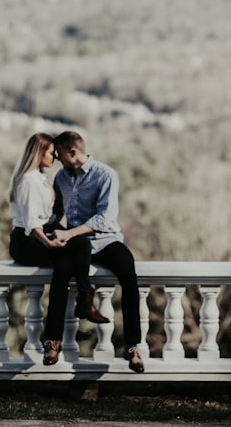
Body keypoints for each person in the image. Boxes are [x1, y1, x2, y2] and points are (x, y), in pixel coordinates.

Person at [7, 132, 108, 366]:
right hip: (28, 240)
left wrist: (57, 226)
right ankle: (85, 298)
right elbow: (32, 222)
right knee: (81, 242)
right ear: (39, 153)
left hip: (40, 232)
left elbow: (48, 215)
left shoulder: (39, 177)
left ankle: (52, 342)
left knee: (64, 266)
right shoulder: (30, 180)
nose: (55, 157)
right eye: (51, 152)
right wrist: (50, 242)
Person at [49, 130, 145, 373]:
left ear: (72, 152)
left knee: (128, 274)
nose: (57, 160)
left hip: (106, 240)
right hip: (76, 244)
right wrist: (39, 229)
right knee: (59, 275)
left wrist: (69, 233)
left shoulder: (106, 174)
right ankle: (52, 341)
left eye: (59, 155)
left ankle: (133, 346)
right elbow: (56, 211)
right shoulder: (60, 177)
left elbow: (104, 218)